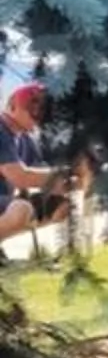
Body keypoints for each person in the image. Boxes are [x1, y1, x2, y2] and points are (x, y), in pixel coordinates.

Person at [0, 80, 71, 246]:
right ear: (13, 107)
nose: (38, 114)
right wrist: (64, 174)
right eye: (32, 109)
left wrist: (69, 183)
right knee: (21, 209)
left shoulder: (26, 139)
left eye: (42, 109)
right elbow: (20, 177)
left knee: (62, 205)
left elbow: (40, 174)